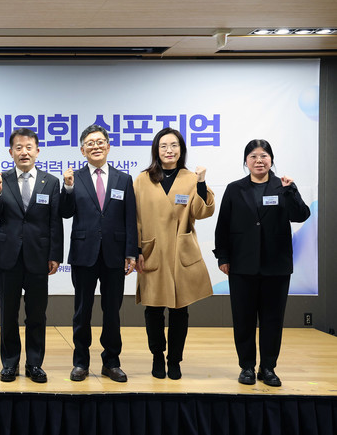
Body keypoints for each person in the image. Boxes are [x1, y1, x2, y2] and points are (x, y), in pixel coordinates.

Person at [213, 139, 310, 387]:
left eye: (264, 156)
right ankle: (246, 366)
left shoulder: (283, 186)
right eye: (253, 156)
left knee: (272, 320)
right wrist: (223, 257)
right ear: (246, 161)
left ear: (271, 160)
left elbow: (301, 215)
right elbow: (223, 225)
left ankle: (268, 368)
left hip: (276, 265)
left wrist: (291, 191)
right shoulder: (235, 189)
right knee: (243, 319)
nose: (259, 160)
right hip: (241, 264)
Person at [134, 128, 214, 380]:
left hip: (180, 252)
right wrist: (136, 250)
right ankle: (157, 355)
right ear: (156, 150)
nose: (169, 150)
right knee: (153, 310)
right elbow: (134, 218)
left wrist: (201, 182)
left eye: (174, 145)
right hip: (153, 251)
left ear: (181, 149)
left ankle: (175, 359)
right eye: (164, 146)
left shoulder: (191, 178)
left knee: (180, 310)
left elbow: (203, 212)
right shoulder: (143, 179)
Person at [60, 125, 137, 383]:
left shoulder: (123, 179)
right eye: (90, 143)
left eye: (100, 141)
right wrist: (67, 188)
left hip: (115, 253)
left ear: (108, 146)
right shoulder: (75, 178)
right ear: (82, 150)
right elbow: (65, 213)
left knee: (112, 311)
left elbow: (130, 218)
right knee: (82, 311)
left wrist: (131, 252)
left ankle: (111, 362)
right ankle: (80, 362)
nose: (96, 146)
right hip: (84, 253)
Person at [0, 128, 62, 383]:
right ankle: (9, 364)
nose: (24, 152)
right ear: (11, 152)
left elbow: (55, 222)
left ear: (37, 151)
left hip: (39, 256)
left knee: (37, 314)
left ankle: (34, 363)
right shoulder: (1, 179)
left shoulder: (51, 182)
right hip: (8, 256)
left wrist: (55, 254)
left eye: (29, 147)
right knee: (8, 314)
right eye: (18, 148)